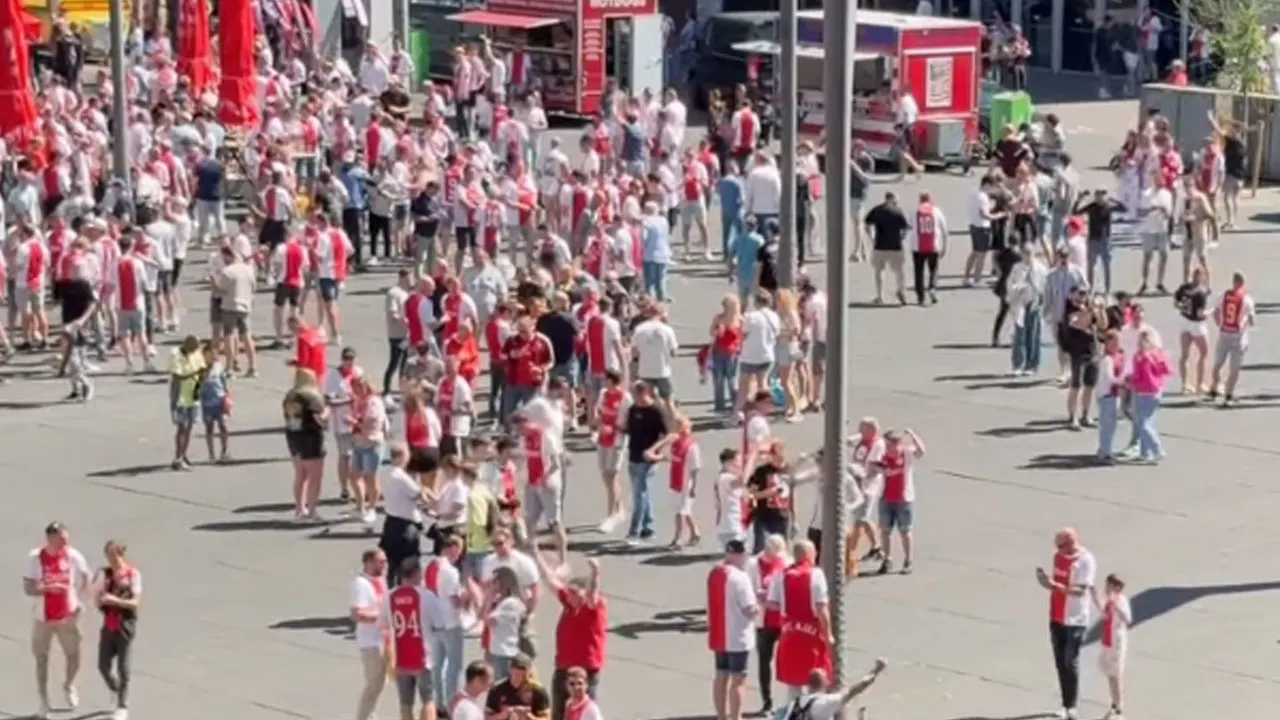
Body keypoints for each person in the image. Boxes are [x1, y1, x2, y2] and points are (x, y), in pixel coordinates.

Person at [25, 521, 92, 719]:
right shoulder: (36, 558)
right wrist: (46, 589)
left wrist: (80, 601)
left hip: (67, 616)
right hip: (43, 618)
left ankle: (69, 684)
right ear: (50, 539)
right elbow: (28, 588)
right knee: (41, 658)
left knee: (74, 655)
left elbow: (86, 576)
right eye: (61, 539)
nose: (65, 541)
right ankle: (43, 701)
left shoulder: (72, 555)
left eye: (66, 538)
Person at [531, 551, 606, 720]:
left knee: (584, 710)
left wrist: (595, 572)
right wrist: (536, 554)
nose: (569, 595)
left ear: (583, 593)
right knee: (559, 712)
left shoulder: (593, 608)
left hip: (586, 669)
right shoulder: (570, 605)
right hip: (564, 667)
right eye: (569, 591)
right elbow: (551, 580)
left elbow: (593, 592)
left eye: (574, 592)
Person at [1035, 528, 1097, 720]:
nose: (1058, 550)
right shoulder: (1058, 557)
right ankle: (1065, 703)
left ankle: (1072, 706)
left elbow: (1080, 591)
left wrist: (1056, 587)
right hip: (1056, 615)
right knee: (1060, 661)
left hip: (1075, 618)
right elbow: (1057, 582)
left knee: (1070, 661)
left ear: (1072, 542)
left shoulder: (1086, 560)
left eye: (1061, 546)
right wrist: (1047, 584)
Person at [770, 539, 831, 696]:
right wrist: (828, 634)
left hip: (789, 634)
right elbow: (821, 608)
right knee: (816, 682)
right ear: (810, 554)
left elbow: (772, 604)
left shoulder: (780, 574)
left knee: (793, 686)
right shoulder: (816, 574)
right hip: (812, 637)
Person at [706, 540, 758, 720]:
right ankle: (735, 717)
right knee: (738, 680)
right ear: (740, 555)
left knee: (721, 675)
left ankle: (721, 716)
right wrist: (760, 607)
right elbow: (749, 609)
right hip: (738, 636)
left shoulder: (714, 573)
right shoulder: (740, 578)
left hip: (719, 635)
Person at [382, 559, 437, 720]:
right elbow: (440, 622)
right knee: (428, 699)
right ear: (417, 574)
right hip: (423, 657)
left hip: (401, 657)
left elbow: (382, 623)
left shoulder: (389, 596)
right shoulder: (426, 596)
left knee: (405, 703)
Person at [93, 539, 140, 720]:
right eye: (108, 556)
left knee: (123, 667)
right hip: (108, 623)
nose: (111, 559)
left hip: (125, 624)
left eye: (113, 555)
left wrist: (115, 601)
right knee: (103, 665)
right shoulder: (104, 574)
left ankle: (122, 704)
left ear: (121, 554)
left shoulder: (132, 575)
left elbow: (135, 602)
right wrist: (99, 600)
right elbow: (96, 596)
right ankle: (116, 689)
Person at [872, 429, 926, 575]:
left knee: (905, 531)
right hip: (886, 498)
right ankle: (887, 560)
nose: (887, 448)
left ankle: (908, 561)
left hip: (903, 499)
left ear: (897, 444)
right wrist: (880, 470)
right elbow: (871, 466)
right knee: (885, 531)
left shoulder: (906, 454)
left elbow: (921, 451)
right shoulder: (882, 455)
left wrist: (913, 435)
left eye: (889, 445)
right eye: (886, 444)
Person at [746, 534, 788, 714]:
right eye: (774, 554)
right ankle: (767, 701)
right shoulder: (753, 565)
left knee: (789, 660)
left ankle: (791, 700)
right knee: (764, 660)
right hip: (764, 621)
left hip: (783, 619)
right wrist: (758, 595)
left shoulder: (786, 562)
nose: (778, 558)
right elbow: (747, 589)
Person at [621, 381, 667, 545]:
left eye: (638, 394)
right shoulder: (633, 409)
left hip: (648, 459)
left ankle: (634, 531)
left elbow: (666, 435)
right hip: (633, 455)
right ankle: (648, 526)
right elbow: (628, 429)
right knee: (642, 492)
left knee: (639, 494)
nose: (636, 398)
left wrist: (654, 451)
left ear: (645, 393)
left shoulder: (655, 411)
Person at [424, 533, 467, 707]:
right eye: (459, 551)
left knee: (437, 664)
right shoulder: (450, 571)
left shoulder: (430, 566)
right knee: (454, 666)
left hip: (435, 622)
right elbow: (455, 601)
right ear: (452, 548)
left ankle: (438, 701)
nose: (459, 555)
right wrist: (466, 596)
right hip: (450, 622)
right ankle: (452, 702)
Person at [283, 368, 329, 520]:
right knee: (314, 477)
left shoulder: (290, 396)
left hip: (293, 436)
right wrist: (328, 411)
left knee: (300, 476)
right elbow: (320, 419)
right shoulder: (312, 396)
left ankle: (299, 508)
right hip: (311, 437)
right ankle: (312, 510)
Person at [380, 443, 427, 587]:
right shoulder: (401, 476)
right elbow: (418, 494)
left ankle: (390, 591)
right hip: (406, 524)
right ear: (401, 456)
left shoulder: (385, 472)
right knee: (408, 564)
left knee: (392, 563)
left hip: (391, 521)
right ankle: (408, 591)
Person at [352, 548, 390, 720]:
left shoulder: (380, 581)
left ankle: (370, 716)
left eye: (385, 561)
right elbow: (357, 614)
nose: (385, 565)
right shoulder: (361, 584)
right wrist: (382, 616)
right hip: (370, 642)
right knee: (373, 684)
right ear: (368, 562)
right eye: (380, 561)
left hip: (383, 639)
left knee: (381, 682)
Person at [778, 661, 888, 720]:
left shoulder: (795, 703)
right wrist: (876, 671)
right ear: (825, 683)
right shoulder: (825, 702)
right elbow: (855, 690)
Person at [1209, 271, 1256, 405]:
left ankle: (1214, 387)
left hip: (1224, 333)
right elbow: (1252, 320)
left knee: (1218, 364)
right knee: (1234, 367)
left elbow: (1216, 311)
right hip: (1238, 336)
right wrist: (1247, 320)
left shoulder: (1223, 296)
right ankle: (1229, 394)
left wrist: (1219, 324)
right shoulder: (1247, 300)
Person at [1096, 573, 1132, 720]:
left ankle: (1119, 708)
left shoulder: (1121, 600)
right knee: (1110, 674)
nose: (1106, 588)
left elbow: (1128, 619)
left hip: (1117, 641)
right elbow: (1104, 614)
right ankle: (1114, 702)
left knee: (1116, 675)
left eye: (1109, 585)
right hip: (1107, 639)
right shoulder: (1106, 600)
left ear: (1116, 587)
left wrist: (1115, 605)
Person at [864, 191, 910, 305]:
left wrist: (871, 236)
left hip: (880, 245)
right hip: (896, 246)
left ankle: (880, 296)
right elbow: (905, 227)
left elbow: (867, 223)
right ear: (892, 199)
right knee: (900, 271)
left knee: (879, 271)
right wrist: (902, 237)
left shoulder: (877, 210)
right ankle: (901, 291)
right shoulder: (898, 211)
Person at [168, 334, 206, 470]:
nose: (194, 351)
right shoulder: (175, 354)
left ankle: (184, 454)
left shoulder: (197, 353)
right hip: (180, 396)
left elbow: (202, 369)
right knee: (181, 427)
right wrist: (195, 373)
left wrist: (201, 380)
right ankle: (177, 457)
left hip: (194, 394)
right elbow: (178, 376)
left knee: (190, 427)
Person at [1173, 267, 1211, 394]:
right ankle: (1200, 384)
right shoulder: (1200, 293)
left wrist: (1183, 307)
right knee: (1204, 352)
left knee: (1185, 354)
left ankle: (1184, 384)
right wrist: (1210, 312)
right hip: (1196, 324)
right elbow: (1200, 314)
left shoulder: (1184, 288)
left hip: (1184, 321)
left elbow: (1176, 303)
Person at [485, 654, 550, 720]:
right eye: (516, 674)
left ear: (529, 673)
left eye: (523, 675)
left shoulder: (537, 690)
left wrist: (528, 716)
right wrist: (504, 715)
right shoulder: (497, 689)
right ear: (510, 670)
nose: (519, 678)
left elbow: (547, 718)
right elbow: (487, 717)